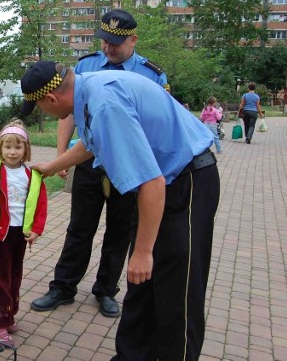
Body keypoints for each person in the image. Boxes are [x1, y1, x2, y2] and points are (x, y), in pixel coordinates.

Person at [20, 61, 220, 360]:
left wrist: (143, 251)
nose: (41, 113)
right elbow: (90, 144)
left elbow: (152, 182)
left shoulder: (104, 104)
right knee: (141, 283)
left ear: (51, 99)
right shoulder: (88, 90)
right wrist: (52, 166)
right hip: (162, 185)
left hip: (185, 183)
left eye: (38, 107)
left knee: (177, 288)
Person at [31, 9, 168, 318]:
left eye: (116, 42)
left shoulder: (152, 74)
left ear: (132, 40)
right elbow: (68, 113)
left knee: (119, 231)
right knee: (79, 227)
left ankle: (105, 290)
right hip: (90, 162)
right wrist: (60, 155)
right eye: (105, 41)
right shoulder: (85, 66)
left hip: (129, 167)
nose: (109, 48)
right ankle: (63, 287)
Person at [0, 119, 48, 345]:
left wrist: (37, 229)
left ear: (26, 149)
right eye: (8, 147)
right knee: (1, 279)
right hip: (0, 234)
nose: (13, 152)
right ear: (0, 148)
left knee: (15, 276)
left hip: (20, 234)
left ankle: (9, 314)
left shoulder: (32, 175)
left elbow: (41, 203)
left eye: (18, 147)